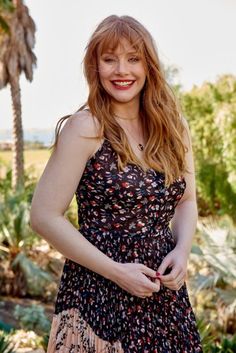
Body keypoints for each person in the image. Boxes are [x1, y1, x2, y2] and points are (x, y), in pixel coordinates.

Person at [30, 14, 203, 353]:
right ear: (95, 67)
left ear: (148, 65)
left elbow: (186, 201)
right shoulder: (85, 127)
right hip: (98, 293)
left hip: (163, 296)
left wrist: (182, 251)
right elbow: (43, 216)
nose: (121, 70)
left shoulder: (172, 126)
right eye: (109, 59)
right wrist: (116, 272)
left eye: (133, 58)